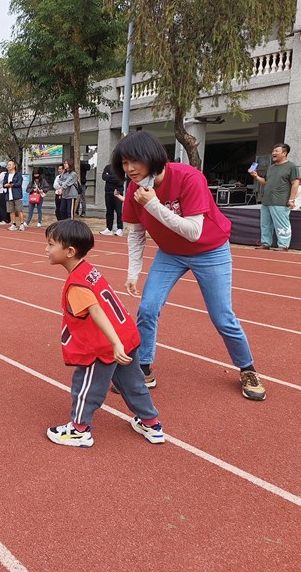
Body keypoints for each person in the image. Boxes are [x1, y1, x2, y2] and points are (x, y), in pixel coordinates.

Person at [113, 130, 266, 401]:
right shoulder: (134, 189)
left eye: (134, 161)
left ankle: (247, 369)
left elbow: (194, 232)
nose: (130, 169)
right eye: (124, 163)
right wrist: (133, 273)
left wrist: (154, 205)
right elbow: (136, 234)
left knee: (222, 317)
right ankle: (144, 367)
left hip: (210, 249)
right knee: (147, 309)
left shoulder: (188, 177)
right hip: (170, 253)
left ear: (152, 158)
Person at [45, 219, 164, 448]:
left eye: (51, 244)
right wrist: (120, 342)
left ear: (69, 251)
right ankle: (151, 423)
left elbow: (97, 311)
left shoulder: (77, 284)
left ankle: (79, 429)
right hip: (126, 335)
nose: (46, 249)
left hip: (105, 345)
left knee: (86, 388)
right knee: (134, 384)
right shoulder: (89, 270)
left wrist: (114, 344)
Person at [249, 144, 300, 251]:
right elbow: (265, 182)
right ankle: (266, 243)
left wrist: (291, 199)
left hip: (280, 201)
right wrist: (256, 176)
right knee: (265, 224)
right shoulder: (271, 167)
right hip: (267, 200)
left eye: (276, 151)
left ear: (285, 153)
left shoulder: (291, 167)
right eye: (273, 151)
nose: (273, 153)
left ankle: (283, 245)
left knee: (281, 224)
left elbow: (295, 183)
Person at [100, 164, 124, 236]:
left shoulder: (121, 167)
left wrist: (109, 177)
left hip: (118, 192)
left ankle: (119, 228)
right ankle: (109, 228)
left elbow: (120, 180)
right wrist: (113, 177)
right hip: (108, 192)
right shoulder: (107, 167)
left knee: (118, 210)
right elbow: (104, 177)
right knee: (109, 211)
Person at [2, 160, 26, 231]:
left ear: (14, 166)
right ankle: (13, 224)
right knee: (11, 210)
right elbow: (4, 184)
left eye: (10, 165)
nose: (8, 166)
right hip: (9, 195)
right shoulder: (6, 175)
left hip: (17, 195)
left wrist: (11, 185)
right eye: (8, 165)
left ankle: (22, 224)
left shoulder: (18, 175)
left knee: (19, 210)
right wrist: (6, 185)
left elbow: (19, 184)